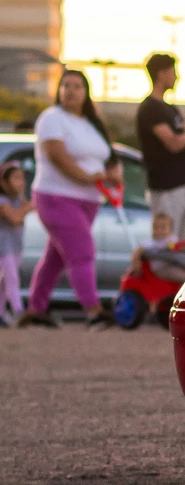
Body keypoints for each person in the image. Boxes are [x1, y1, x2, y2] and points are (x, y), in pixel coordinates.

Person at [18, 70, 119, 327]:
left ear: (86, 92)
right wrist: (85, 177)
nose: (71, 90)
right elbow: (57, 156)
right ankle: (94, 311)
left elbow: (108, 157)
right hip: (57, 197)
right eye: (65, 85)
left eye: (77, 86)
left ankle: (36, 311)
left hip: (89, 200)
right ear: (58, 90)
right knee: (82, 252)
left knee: (55, 257)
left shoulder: (91, 123)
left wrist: (113, 175)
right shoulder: (52, 118)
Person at [135, 53, 185, 243]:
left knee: (184, 245)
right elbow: (173, 143)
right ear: (161, 74)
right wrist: (184, 139)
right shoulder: (150, 108)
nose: (176, 77)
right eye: (173, 72)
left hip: (184, 184)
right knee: (166, 244)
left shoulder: (171, 109)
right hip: (165, 188)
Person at [115, 208, 185, 329]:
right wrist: (136, 262)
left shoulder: (172, 241)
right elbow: (138, 251)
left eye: (163, 227)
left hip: (171, 266)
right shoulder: (151, 243)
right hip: (160, 270)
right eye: (156, 227)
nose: (159, 231)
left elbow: (181, 248)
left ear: (170, 229)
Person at [0, 155, 34, 325]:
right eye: (15, 178)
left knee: (4, 282)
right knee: (12, 279)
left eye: (21, 178)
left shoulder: (18, 200)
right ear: (3, 183)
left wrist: (26, 207)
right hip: (3, 249)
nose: (21, 182)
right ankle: (19, 311)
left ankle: (1, 314)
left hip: (15, 247)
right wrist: (27, 208)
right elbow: (14, 219)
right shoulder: (3, 201)